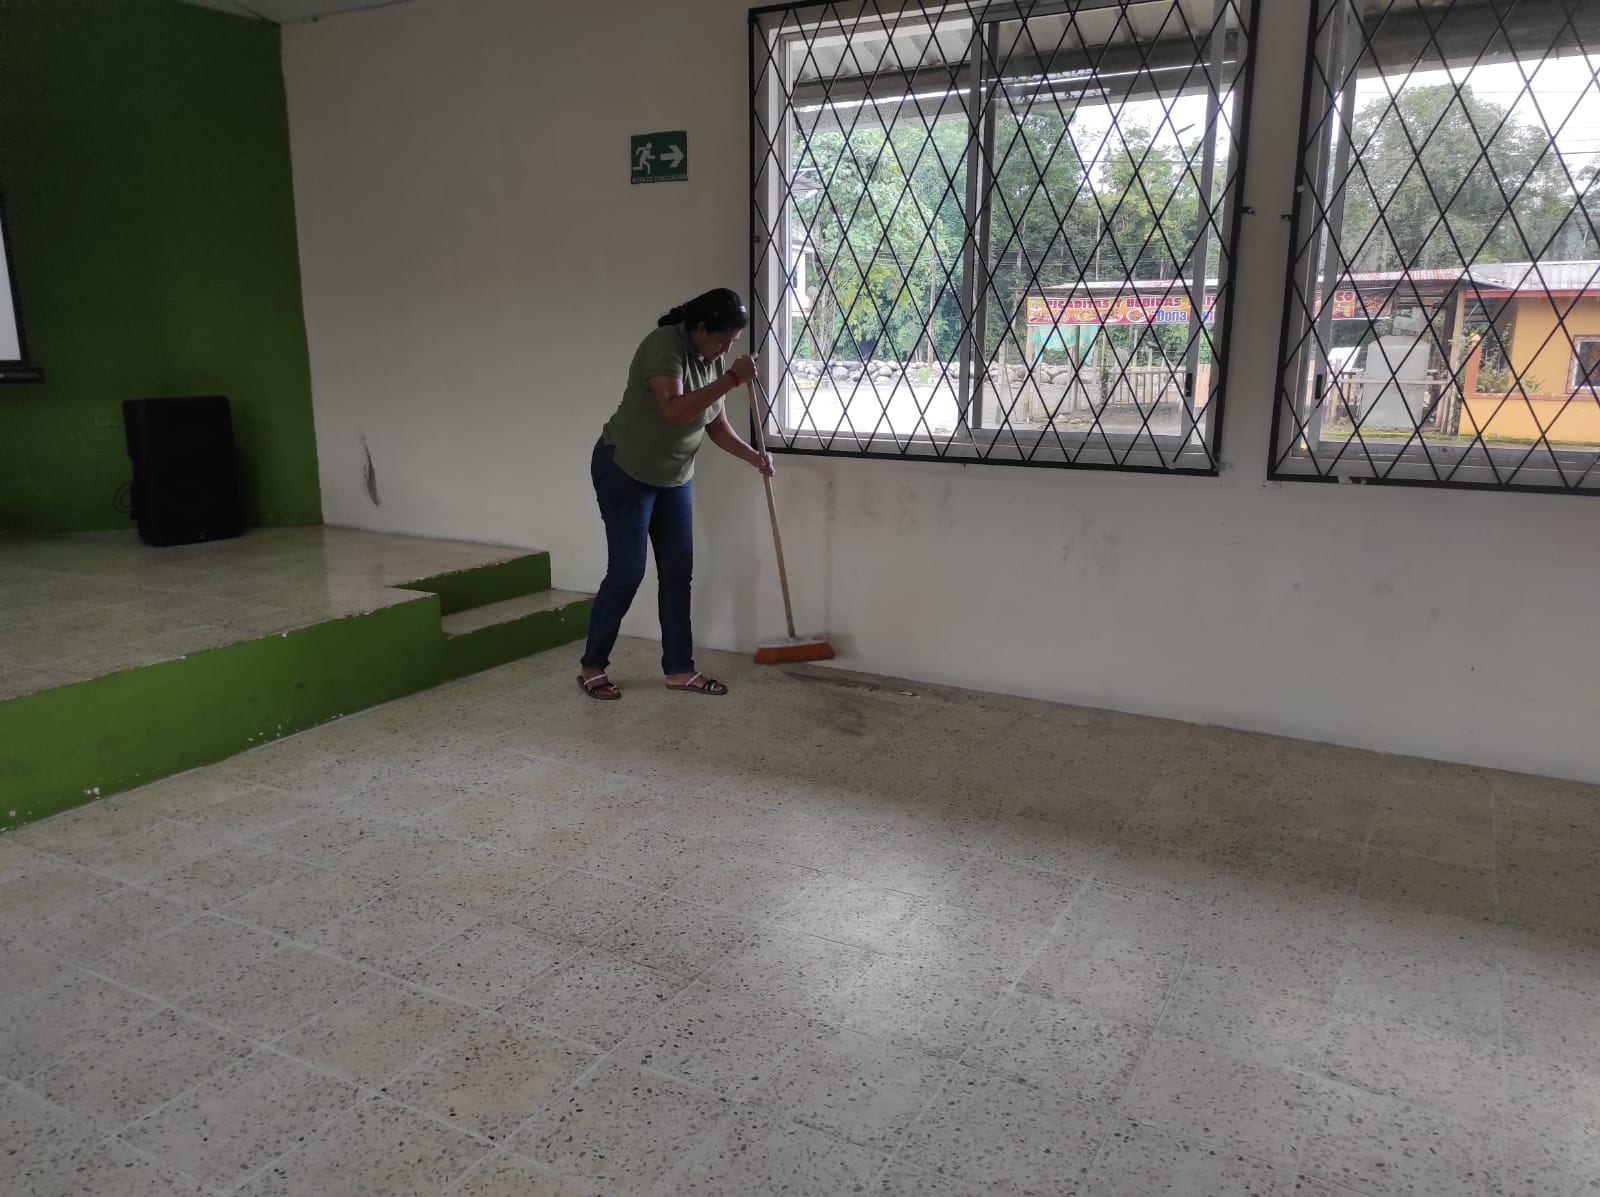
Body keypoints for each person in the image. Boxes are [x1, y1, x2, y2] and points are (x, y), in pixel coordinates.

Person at [577, 288, 773, 701]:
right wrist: (731, 379)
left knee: (678, 572)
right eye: (722, 340)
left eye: (732, 343)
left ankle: (680, 669)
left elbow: (715, 425)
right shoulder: (664, 346)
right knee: (628, 572)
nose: (725, 349)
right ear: (699, 328)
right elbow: (674, 410)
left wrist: (753, 457)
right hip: (625, 469)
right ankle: (592, 665)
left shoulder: (711, 358)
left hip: (675, 477)